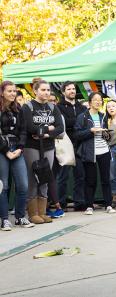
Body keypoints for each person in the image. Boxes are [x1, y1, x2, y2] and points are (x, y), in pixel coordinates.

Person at [21, 77, 64, 224]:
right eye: (43, 90)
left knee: (46, 178)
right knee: (33, 178)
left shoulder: (53, 107)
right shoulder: (28, 107)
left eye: (48, 90)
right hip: (31, 147)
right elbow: (29, 128)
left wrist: (45, 133)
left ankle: (43, 212)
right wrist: (49, 128)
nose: (46, 93)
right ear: (35, 91)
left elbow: (60, 127)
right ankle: (33, 213)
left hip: (48, 146)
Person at [0, 81, 35, 230]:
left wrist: (20, 149)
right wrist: (6, 150)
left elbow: (23, 130)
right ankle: (4, 219)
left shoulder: (18, 108)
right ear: (2, 92)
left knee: (23, 185)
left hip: (17, 149)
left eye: (14, 91)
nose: (13, 94)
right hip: (2, 150)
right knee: (4, 186)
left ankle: (20, 217)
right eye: (9, 91)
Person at [74, 92, 115, 215]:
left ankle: (108, 205)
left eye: (100, 100)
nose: (98, 102)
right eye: (95, 100)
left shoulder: (104, 116)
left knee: (106, 179)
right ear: (90, 102)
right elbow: (77, 134)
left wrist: (107, 133)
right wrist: (90, 130)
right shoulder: (83, 117)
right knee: (90, 180)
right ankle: (89, 206)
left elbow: (108, 137)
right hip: (90, 152)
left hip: (104, 151)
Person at [55, 81, 87, 212]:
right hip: (65, 144)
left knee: (80, 175)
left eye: (73, 89)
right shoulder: (58, 107)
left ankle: (79, 202)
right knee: (63, 177)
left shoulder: (82, 107)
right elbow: (62, 124)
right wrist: (76, 123)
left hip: (80, 145)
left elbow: (84, 123)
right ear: (63, 92)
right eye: (69, 89)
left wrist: (73, 123)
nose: (72, 91)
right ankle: (60, 203)